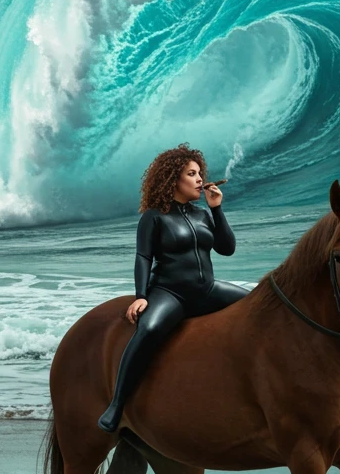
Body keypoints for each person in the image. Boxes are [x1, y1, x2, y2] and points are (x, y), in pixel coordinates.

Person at [97, 144, 249, 432]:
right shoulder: (153, 217)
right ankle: (117, 404)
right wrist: (142, 296)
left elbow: (227, 249)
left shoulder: (203, 215)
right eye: (191, 174)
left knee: (257, 305)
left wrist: (217, 210)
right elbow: (143, 257)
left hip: (207, 290)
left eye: (200, 173)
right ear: (173, 180)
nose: (199, 179)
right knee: (150, 330)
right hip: (170, 293)